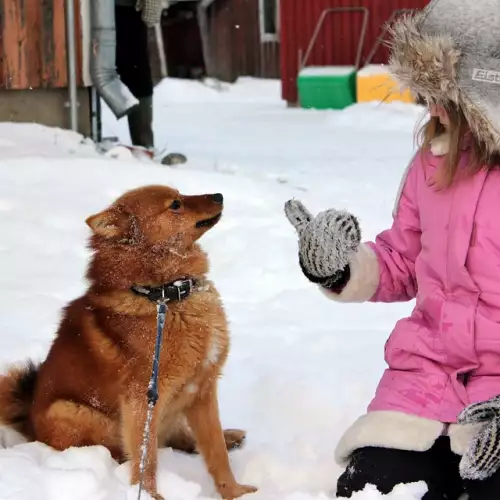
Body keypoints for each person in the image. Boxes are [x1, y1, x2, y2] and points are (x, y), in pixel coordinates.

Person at [285, 0, 500, 498]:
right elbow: (404, 260)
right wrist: (340, 267)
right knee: (374, 488)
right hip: (426, 380)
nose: (431, 107)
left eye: (445, 94)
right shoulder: (433, 161)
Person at [114, 0, 163, 150]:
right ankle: (143, 142)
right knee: (136, 73)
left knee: (137, 73)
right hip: (108, 9)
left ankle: (144, 144)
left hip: (128, 10)